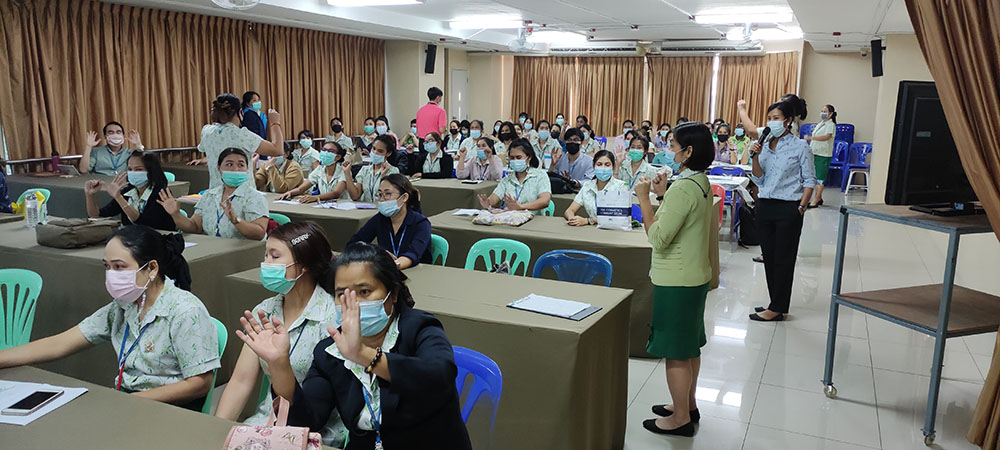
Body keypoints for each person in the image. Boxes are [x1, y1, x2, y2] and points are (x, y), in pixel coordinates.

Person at [235, 241, 473, 449]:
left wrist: (365, 355)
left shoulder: (419, 327)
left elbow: (439, 377)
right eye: (342, 295)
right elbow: (308, 421)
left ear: (393, 294)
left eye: (365, 291)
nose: (353, 303)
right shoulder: (330, 351)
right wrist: (279, 364)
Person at [0, 225, 219, 410]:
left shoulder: (185, 311)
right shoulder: (124, 306)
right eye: (107, 267)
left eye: (119, 267)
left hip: (169, 410)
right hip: (128, 403)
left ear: (152, 268)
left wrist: (128, 401)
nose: (111, 275)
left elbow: (200, 383)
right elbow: (60, 343)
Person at [215, 222, 348, 448]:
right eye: (265, 255)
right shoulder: (265, 311)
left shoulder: (332, 318)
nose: (265, 263)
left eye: (274, 256)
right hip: (266, 425)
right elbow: (240, 381)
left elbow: (328, 402)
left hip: (317, 432)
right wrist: (216, 429)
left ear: (303, 265)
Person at [633, 122, 715, 437]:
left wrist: (644, 199)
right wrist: (662, 195)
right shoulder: (700, 181)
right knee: (689, 346)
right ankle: (687, 405)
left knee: (676, 352)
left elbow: (659, 237)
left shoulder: (683, 188)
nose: (670, 150)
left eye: (673, 145)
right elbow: (682, 220)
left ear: (688, 151)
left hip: (677, 281)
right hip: (694, 276)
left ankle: (680, 418)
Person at [747, 97, 815, 322]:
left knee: (784, 259)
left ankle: (777, 307)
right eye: (769, 118)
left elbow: (810, 180)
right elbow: (759, 178)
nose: (771, 122)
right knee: (770, 257)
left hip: (788, 207)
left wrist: (801, 207)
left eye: (776, 118)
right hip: (766, 205)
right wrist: (755, 157)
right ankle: (774, 303)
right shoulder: (765, 145)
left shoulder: (800, 146)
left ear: (787, 121)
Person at [160, 149, 269, 240]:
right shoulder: (209, 195)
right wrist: (176, 214)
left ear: (246, 169)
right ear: (219, 168)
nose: (235, 169)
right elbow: (195, 227)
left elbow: (259, 234)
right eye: (229, 164)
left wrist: (236, 221)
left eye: (241, 165)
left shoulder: (254, 197)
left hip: (244, 253)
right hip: (213, 249)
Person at [189, 93, 284, 189]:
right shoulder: (242, 135)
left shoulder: (207, 131)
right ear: (240, 112)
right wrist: (275, 123)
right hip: (243, 193)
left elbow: (204, 148)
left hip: (216, 192)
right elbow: (277, 150)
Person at [348, 174, 431, 269]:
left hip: (416, 272)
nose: (382, 199)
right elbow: (353, 244)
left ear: (404, 197)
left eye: (388, 194)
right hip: (386, 271)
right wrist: (375, 251)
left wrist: (394, 265)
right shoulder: (380, 219)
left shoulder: (421, 223)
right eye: (380, 194)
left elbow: (413, 254)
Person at [85, 151, 175, 231]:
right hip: (132, 239)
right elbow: (96, 215)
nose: (133, 173)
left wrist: (119, 198)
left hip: (158, 238)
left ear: (151, 171)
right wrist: (90, 195)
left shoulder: (161, 194)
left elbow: (144, 223)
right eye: (130, 169)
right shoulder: (127, 192)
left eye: (138, 169)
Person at [478, 139, 551, 215]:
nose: (515, 160)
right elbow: (495, 197)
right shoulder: (507, 179)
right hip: (511, 219)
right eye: (512, 158)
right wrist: (488, 202)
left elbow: (545, 201)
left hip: (534, 220)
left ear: (529, 157)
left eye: (518, 157)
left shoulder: (540, 175)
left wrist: (521, 207)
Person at [563, 150, 629, 226]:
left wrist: (588, 221)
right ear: (594, 166)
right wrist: (572, 219)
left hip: (613, 229)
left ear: (613, 167)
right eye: (599, 164)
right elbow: (570, 210)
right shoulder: (587, 185)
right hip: (591, 230)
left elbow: (620, 216)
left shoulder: (621, 186)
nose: (603, 168)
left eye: (607, 165)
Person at [279, 142, 351, 203]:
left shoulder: (343, 170)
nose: (325, 153)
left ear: (338, 157)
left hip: (341, 205)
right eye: (324, 150)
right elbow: (301, 189)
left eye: (330, 151)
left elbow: (336, 193)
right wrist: (290, 193)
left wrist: (317, 197)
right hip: (325, 205)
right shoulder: (320, 169)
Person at [345, 135, 401, 203]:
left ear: (388, 153)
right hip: (366, 208)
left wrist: (383, 177)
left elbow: (388, 198)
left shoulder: (393, 171)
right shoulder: (365, 170)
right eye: (374, 148)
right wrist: (347, 173)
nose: (375, 152)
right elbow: (355, 196)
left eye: (380, 151)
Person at [806, 104, 837, 208]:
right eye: (822, 111)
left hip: (823, 154)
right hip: (815, 152)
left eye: (825, 112)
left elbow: (826, 136)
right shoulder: (820, 124)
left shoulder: (830, 125)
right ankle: (819, 198)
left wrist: (812, 138)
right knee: (815, 177)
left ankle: (815, 201)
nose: (822, 113)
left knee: (820, 178)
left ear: (830, 114)